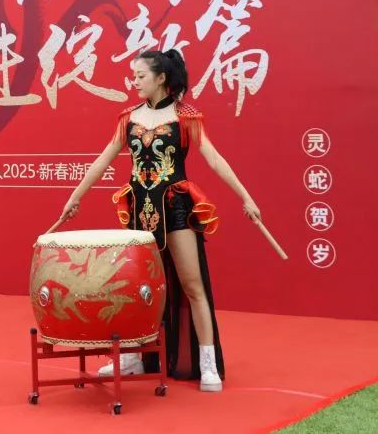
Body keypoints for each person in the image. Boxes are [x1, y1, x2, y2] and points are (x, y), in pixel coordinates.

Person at [58, 50, 262, 393]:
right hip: (140, 210)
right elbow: (103, 159)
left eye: (140, 76)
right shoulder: (129, 118)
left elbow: (213, 158)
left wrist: (246, 197)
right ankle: (134, 358)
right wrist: (75, 197)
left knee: (192, 286)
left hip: (176, 208)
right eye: (134, 76)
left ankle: (207, 363)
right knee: (136, 289)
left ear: (161, 78)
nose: (134, 82)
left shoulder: (186, 117)